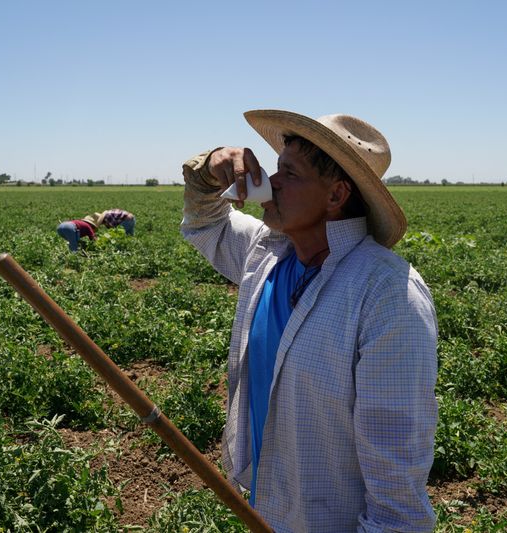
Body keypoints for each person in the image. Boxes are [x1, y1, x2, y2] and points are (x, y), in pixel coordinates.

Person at [180, 109, 438, 531]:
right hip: (266, 506)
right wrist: (210, 168)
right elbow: (205, 221)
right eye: (275, 169)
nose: (273, 181)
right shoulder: (269, 252)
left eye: (290, 173)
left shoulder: (387, 294)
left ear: (336, 196)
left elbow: (397, 482)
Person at [56, 209, 135, 252]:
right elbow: (93, 238)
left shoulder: (81, 223)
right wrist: (99, 245)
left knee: (73, 242)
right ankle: (72, 259)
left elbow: (113, 230)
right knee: (74, 247)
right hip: (131, 219)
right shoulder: (88, 227)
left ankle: (127, 248)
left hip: (61, 227)